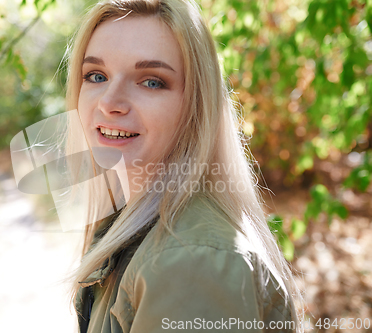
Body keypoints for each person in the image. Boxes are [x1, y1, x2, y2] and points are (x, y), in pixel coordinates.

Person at [62, 0, 304, 332]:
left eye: (151, 81)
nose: (109, 102)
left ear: (196, 106)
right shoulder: (129, 219)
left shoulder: (192, 260)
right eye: (96, 75)